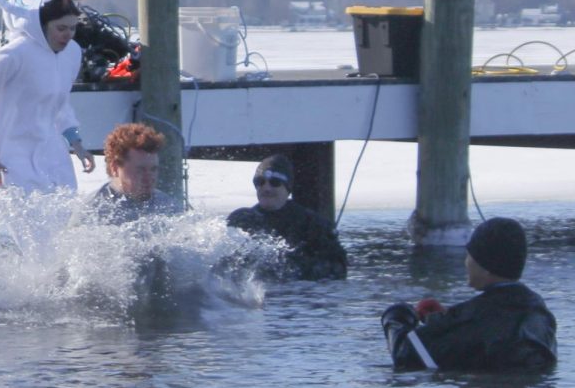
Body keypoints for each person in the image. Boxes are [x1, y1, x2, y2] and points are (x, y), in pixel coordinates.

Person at [0, 0, 96, 193]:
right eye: (60, 29)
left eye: (72, 28)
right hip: (11, 154)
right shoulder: (11, 56)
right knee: (18, 216)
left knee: (65, 211)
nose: (68, 35)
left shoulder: (72, 53)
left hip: (51, 150)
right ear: (40, 26)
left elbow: (60, 102)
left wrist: (76, 142)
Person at [381, 217, 557, 371]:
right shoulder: (539, 311)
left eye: (469, 255)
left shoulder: (476, 317)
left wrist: (397, 316)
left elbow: (406, 353)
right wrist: (440, 319)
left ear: (487, 267)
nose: (466, 263)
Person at [226, 154, 347, 280]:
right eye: (260, 182)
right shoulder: (242, 220)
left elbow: (338, 269)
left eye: (275, 182)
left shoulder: (312, 224)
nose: (266, 188)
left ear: (287, 187)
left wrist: (295, 268)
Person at [87, 123, 182, 224]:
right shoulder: (93, 211)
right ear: (114, 168)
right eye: (140, 170)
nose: (149, 178)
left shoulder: (168, 207)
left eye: (153, 169)